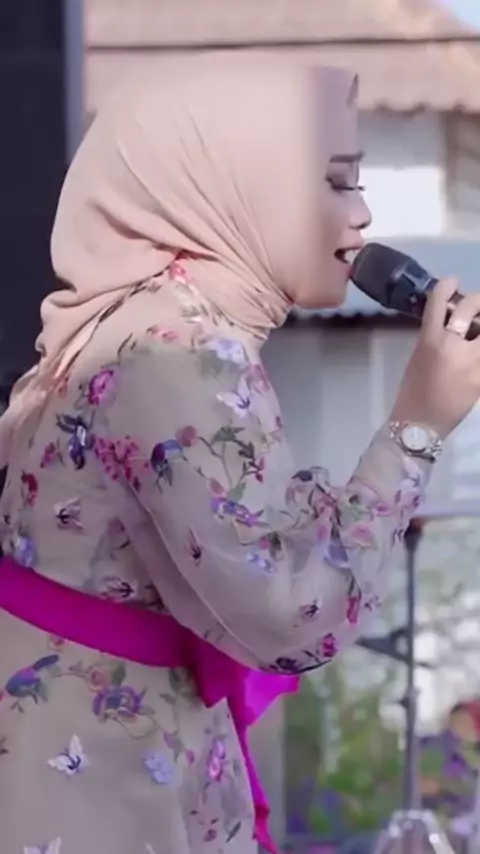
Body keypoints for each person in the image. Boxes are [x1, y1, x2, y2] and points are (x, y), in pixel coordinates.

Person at [0, 54, 479, 854]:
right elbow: (291, 617)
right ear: (237, 182)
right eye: (336, 181)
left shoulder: (149, 323)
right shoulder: (178, 349)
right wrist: (416, 426)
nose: (363, 214)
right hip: (98, 779)